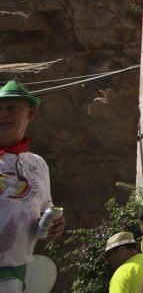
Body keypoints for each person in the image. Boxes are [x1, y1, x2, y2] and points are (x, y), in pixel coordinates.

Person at [0, 80, 65, 293]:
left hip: (14, 274)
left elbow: (45, 211)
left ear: (31, 113)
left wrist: (52, 224)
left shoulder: (37, 164)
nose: (3, 114)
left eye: (12, 108)